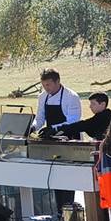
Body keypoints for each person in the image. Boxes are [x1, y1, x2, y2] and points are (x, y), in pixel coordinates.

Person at [32, 68, 82, 213]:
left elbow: (74, 120)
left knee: (68, 177)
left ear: (58, 82)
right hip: (51, 142)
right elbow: (40, 118)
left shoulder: (71, 96)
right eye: (44, 85)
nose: (46, 88)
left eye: (48, 85)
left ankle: (69, 211)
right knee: (55, 176)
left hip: (69, 140)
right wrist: (32, 127)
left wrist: (53, 128)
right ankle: (59, 212)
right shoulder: (42, 97)